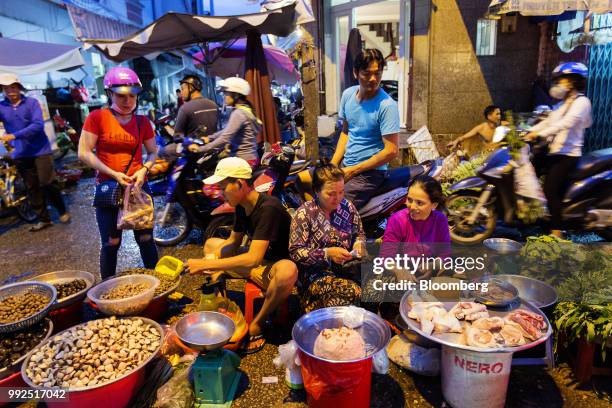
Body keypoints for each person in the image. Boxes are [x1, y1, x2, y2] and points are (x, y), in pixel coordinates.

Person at [186, 157, 297, 353]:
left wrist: (205, 265)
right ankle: (219, 299)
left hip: (274, 267)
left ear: (239, 183)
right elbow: (232, 242)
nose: (220, 193)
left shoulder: (268, 208)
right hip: (258, 264)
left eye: (222, 187)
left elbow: (253, 258)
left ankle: (258, 323)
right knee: (212, 244)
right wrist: (211, 261)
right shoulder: (241, 206)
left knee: (288, 271)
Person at [78, 67, 159, 279]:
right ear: (110, 94)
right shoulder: (97, 117)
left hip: (138, 187)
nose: (127, 101)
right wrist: (113, 174)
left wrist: (143, 170)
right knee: (111, 242)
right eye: (121, 95)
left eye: (132, 95)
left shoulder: (143, 122)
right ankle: (107, 289)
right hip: (109, 188)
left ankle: (159, 285)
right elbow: (84, 153)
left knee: (146, 239)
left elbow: (152, 152)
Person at [525, 62, 592, 238]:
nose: (559, 84)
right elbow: (551, 120)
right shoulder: (565, 103)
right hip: (555, 152)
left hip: (567, 155)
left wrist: (540, 134)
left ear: (573, 82)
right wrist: (531, 131)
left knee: (550, 189)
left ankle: (557, 230)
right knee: (532, 170)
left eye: (563, 80)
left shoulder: (582, 102)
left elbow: (566, 123)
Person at [289, 163, 365, 313]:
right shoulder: (305, 214)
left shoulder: (347, 207)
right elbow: (295, 252)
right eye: (331, 194)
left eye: (341, 192)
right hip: (315, 275)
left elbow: (359, 233)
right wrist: (327, 253)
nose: (337, 198)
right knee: (351, 292)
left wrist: (358, 245)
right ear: (316, 191)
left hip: (348, 268)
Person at [331, 48, 400, 210]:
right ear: (355, 73)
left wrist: (353, 171)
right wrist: (334, 163)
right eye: (367, 73)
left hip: (371, 173)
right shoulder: (348, 95)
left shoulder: (387, 106)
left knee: (336, 208)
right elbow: (346, 132)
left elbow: (391, 150)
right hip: (347, 166)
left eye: (378, 73)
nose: (373, 79)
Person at [0, 73, 69, 231]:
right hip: (20, 152)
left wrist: (14, 135)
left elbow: (38, 125)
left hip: (40, 150)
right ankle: (44, 219)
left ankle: (61, 210)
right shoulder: (2, 106)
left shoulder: (32, 103)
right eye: (6, 88)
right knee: (31, 187)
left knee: (47, 182)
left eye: (13, 87)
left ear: (18, 87)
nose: (10, 91)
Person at [382, 175, 451, 279]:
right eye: (409, 200)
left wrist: (431, 267)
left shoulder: (440, 220)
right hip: (399, 275)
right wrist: (398, 270)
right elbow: (386, 257)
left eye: (419, 203)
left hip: (426, 273)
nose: (412, 207)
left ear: (434, 205)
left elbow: (445, 255)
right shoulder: (397, 220)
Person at [189, 77, 261, 167]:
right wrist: (210, 138)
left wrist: (200, 149)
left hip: (243, 161)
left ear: (236, 95)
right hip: (250, 158)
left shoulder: (239, 113)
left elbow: (225, 138)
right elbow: (227, 130)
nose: (224, 97)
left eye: (226, 93)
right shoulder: (246, 109)